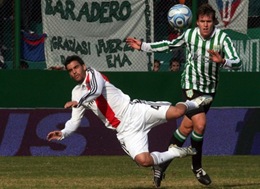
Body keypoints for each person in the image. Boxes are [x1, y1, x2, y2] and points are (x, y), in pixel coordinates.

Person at [126, 3, 241, 187]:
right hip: (190, 85)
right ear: (196, 22)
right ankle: (197, 167)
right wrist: (143, 46)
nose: (205, 25)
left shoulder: (222, 38)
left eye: (208, 21)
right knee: (201, 124)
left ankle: (162, 164)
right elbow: (169, 45)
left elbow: (237, 62)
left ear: (214, 22)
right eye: (202, 21)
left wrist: (223, 60)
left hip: (209, 90)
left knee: (186, 128)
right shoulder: (190, 35)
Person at [47, 55, 213, 171]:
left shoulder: (93, 74)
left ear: (83, 66)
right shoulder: (76, 93)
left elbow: (96, 91)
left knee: (177, 112)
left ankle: (193, 102)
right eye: (70, 70)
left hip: (135, 111)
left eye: (76, 67)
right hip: (125, 130)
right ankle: (175, 152)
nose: (74, 71)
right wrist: (62, 132)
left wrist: (80, 101)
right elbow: (75, 121)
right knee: (144, 161)